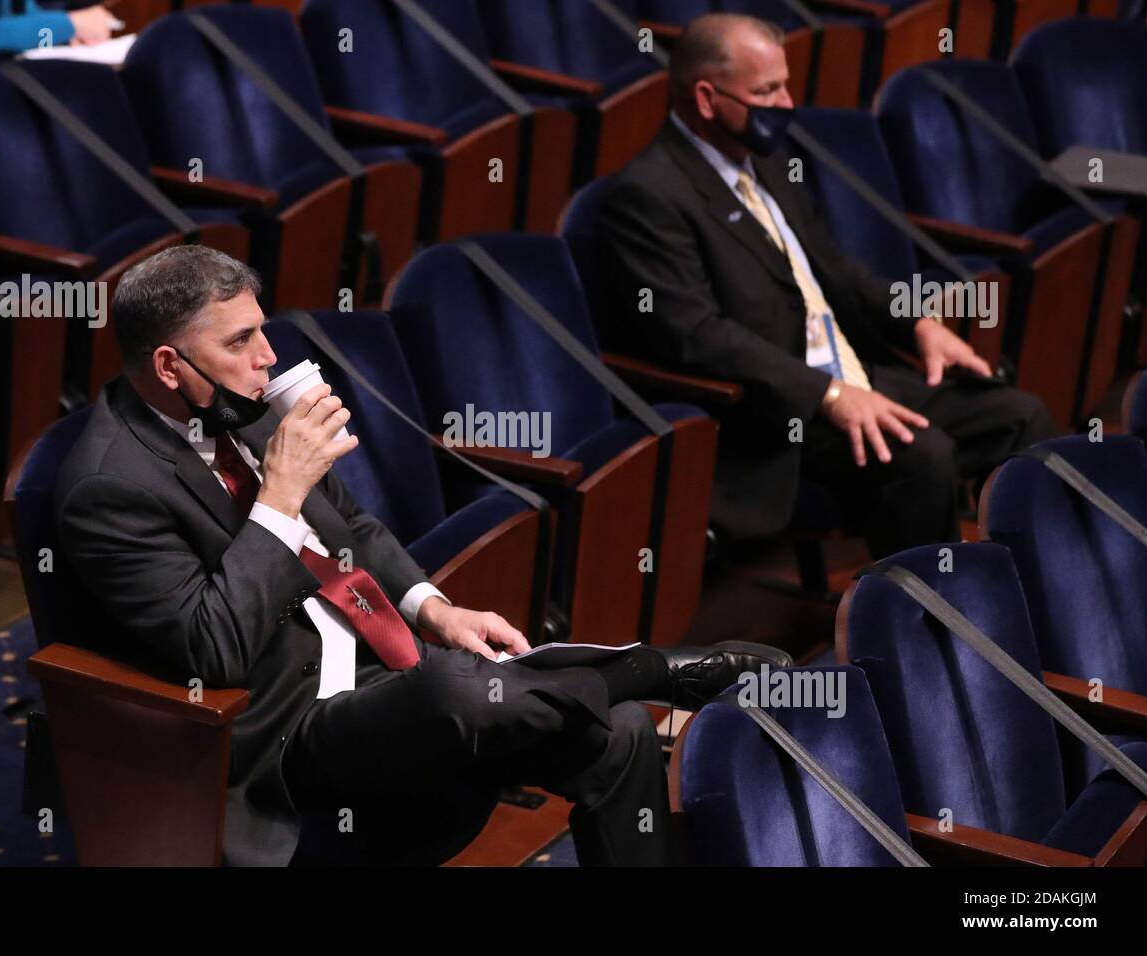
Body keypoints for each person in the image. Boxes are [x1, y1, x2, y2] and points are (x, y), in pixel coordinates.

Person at [54, 245, 791, 866]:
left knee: (616, 733)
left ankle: (622, 694)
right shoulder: (108, 488)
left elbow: (354, 528)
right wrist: (279, 497)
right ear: (169, 366)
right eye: (240, 342)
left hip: (375, 660)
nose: (268, 357)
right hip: (280, 726)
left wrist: (433, 608)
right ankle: (643, 671)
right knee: (457, 693)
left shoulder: (235, 408)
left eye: (262, 331)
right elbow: (211, 649)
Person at [595, 14, 1057, 558]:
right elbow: (697, 336)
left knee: (1020, 416)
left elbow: (834, 270)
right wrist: (830, 396)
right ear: (706, 98)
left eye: (785, 84)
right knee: (923, 457)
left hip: (851, 370)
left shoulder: (765, 159)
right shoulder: (646, 196)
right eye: (767, 90)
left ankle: (1035, 591)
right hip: (773, 411)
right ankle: (923, 626)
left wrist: (917, 323)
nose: (787, 103)